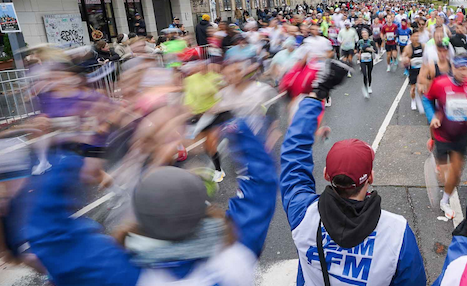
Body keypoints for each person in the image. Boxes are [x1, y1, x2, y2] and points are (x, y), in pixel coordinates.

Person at [14, 107, 280, 285]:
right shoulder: (237, 254)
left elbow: (49, 234)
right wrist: (235, 127)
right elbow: (261, 185)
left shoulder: (120, 273)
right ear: (203, 206)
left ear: (139, 216)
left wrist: (72, 152)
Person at [280, 74, 426, 286]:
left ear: (326, 175)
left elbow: (293, 158)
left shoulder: (303, 214)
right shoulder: (397, 234)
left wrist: (313, 100)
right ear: (371, 178)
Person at [423, 55, 467, 218]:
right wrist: (432, 117)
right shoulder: (440, 83)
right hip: (442, 135)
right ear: (453, 68)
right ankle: (437, 161)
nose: (464, 73)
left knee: (455, 175)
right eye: (461, 69)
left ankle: (444, 201)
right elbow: (426, 99)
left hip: (461, 136)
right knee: (444, 177)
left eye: (466, 69)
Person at [402, 30, 425, 111]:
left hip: (422, 70)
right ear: (411, 38)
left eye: (418, 36)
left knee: (422, 88)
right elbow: (403, 57)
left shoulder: (423, 46)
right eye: (415, 36)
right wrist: (405, 60)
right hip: (413, 70)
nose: (416, 38)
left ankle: (422, 101)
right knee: (413, 88)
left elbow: (428, 56)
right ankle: (413, 100)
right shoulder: (408, 48)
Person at [357, 29, 378, 98]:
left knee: (369, 73)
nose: (364, 34)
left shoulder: (371, 42)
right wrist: (358, 55)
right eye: (363, 33)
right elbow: (357, 50)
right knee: (364, 74)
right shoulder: (360, 42)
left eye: (365, 33)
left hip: (369, 59)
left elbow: (376, 50)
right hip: (362, 60)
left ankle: (369, 86)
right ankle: (365, 87)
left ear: (368, 34)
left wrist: (368, 49)